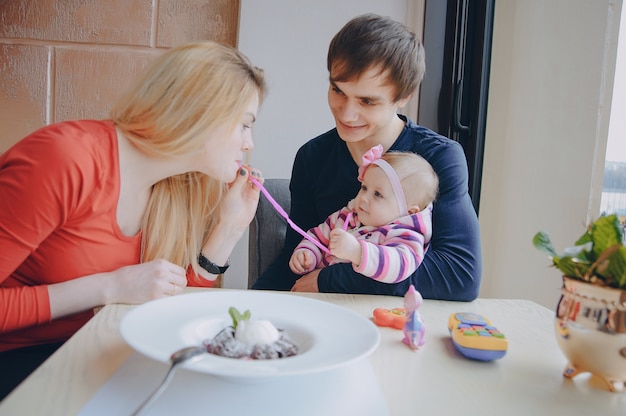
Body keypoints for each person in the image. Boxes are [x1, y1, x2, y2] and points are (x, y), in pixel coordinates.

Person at [0, 41, 266, 399]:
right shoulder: (63, 160)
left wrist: (229, 229)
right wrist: (108, 287)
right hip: (20, 358)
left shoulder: (172, 186)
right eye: (245, 125)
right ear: (202, 114)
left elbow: (163, 301)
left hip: (96, 348)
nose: (248, 144)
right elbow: (122, 288)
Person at [252, 13, 482, 300]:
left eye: (367, 101)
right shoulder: (312, 157)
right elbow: (296, 258)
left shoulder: (440, 157)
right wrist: (243, 306)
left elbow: (459, 275)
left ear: (404, 96)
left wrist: (331, 279)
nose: (346, 114)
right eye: (338, 90)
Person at [289, 144, 438, 284]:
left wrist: (357, 251)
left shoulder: (404, 235)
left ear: (409, 211)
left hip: (363, 302)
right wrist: (307, 253)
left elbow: (400, 265)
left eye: (378, 194)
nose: (364, 198)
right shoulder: (346, 216)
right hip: (325, 297)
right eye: (364, 187)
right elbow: (317, 237)